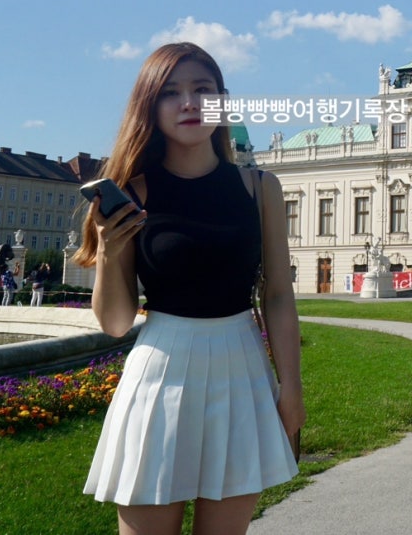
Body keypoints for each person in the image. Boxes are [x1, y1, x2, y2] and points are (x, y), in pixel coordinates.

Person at [76, 42, 305, 535]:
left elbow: (279, 295)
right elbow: (115, 322)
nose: (189, 103)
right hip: (160, 374)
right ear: (149, 106)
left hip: (242, 371)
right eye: (170, 92)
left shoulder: (260, 187)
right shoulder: (132, 194)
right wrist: (110, 249)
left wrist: (291, 388)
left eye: (203, 90)